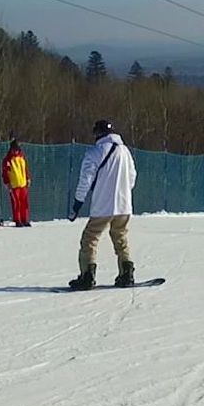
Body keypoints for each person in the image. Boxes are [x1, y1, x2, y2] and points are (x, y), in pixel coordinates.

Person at [67, 119, 137, 290]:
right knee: (120, 237)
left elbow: (85, 180)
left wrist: (77, 204)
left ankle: (87, 275)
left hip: (103, 206)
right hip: (124, 205)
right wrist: (123, 193)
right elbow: (132, 176)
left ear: (97, 133)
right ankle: (127, 273)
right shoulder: (125, 151)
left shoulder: (94, 152)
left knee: (90, 238)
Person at [2, 139, 31, 227]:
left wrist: (28, 178)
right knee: (16, 203)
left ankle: (24, 219)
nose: (16, 151)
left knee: (24, 202)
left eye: (18, 149)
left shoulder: (22, 158)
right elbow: (5, 172)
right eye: (15, 149)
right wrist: (7, 183)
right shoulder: (7, 160)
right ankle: (18, 220)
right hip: (14, 185)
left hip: (23, 183)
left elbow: (25, 169)